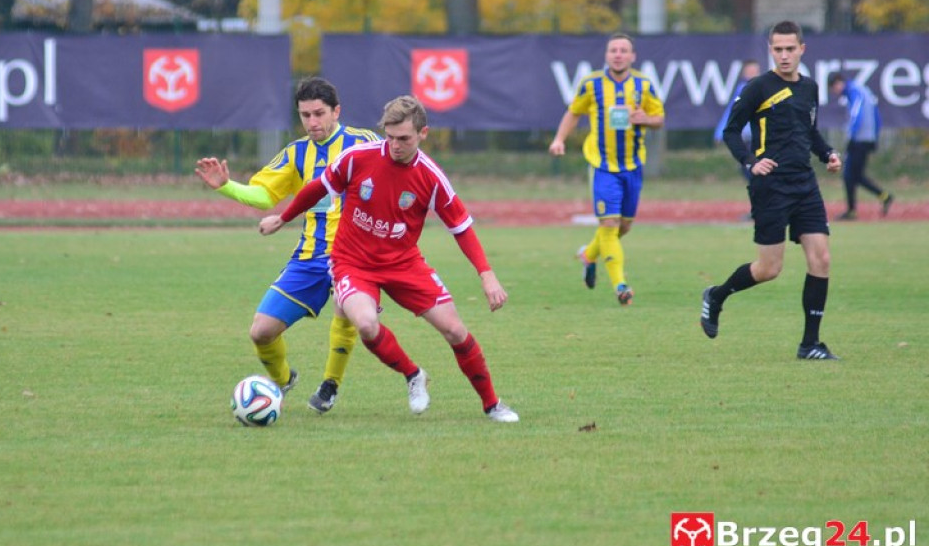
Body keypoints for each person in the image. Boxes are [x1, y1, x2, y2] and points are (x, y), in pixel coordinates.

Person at [259, 95, 519, 423]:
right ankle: (413, 375)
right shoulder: (358, 158)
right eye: (390, 137)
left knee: (454, 330)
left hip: (404, 264)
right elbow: (316, 189)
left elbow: (462, 229)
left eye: (404, 139)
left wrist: (487, 274)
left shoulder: (431, 176)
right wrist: (283, 218)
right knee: (366, 324)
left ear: (423, 134)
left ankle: (493, 405)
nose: (395, 145)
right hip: (352, 263)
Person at [195, 77, 380, 414]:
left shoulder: (365, 143)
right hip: (309, 257)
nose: (312, 122)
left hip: (356, 256)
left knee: (345, 304)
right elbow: (265, 195)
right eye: (305, 115)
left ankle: (330, 386)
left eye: (319, 114)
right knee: (261, 331)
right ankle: (281, 381)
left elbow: (396, 175)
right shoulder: (296, 153)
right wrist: (226, 186)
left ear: (336, 111)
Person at [700, 21, 843, 360]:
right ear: (770, 49)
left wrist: (828, 154)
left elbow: (810, 132)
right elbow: (732, 131)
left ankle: (810, 344)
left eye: (790, 49)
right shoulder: (757, 87)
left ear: (801, 49)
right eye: (777, 49)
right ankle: (716, 296)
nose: (783, 55)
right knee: (769, 269)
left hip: (805, 184)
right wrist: (751, 162)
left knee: (821, 259)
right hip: (771, 187)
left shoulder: (809, 88)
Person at [548, 32, 665, 305]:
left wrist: (644, 118)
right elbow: (573, 112)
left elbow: (659, 118)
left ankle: (589, 255)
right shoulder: (592, 84)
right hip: (602, 165)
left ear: (633, 56)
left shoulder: (643, 85)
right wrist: (559, 139)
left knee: (623, 227)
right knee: (610, 225)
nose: (618, 54)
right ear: (606, 55)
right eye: (614, 50)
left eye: (624, 50)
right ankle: (621, 286)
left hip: (633, 166)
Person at [827, 72, 894, 220]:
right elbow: (876, 115)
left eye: (834, 88)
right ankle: (883, 197)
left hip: (859, 139)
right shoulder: (861, 89)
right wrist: (874, 137)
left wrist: (852, 136)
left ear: (838, 83)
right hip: (866, 139)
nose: (835, 92)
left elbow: (857, 114)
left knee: (850, 175)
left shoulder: (854, 91)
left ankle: (854, 210)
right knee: (854, 176)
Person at [714, 59, 762, 184]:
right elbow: (731, 112)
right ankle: (757, 185)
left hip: (762, 136)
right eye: (749, 71)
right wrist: (720, 133)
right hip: (747, 137)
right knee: (747, 165)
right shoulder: (742, 90)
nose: (752, 74)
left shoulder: (765, 89)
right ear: (744, 74)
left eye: (754, 71)